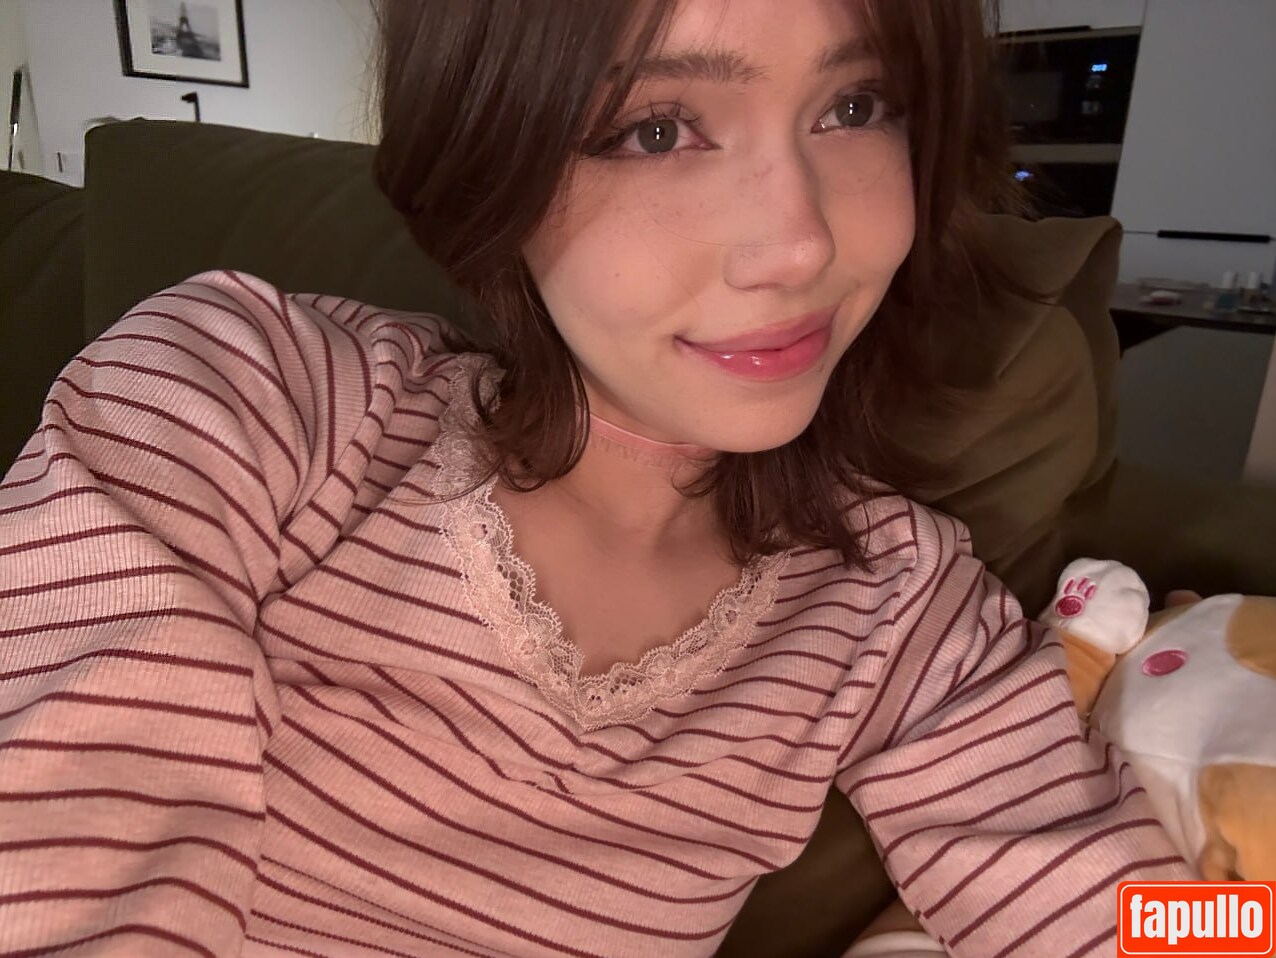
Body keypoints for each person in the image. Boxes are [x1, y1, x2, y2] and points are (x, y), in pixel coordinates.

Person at [0, 0, 1192, 955]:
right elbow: (63, 836)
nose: (802, 244)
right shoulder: (245, 398)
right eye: (657, 128)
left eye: (856, 105)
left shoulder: (900, 608)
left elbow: (1127, 915)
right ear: (488, 159)